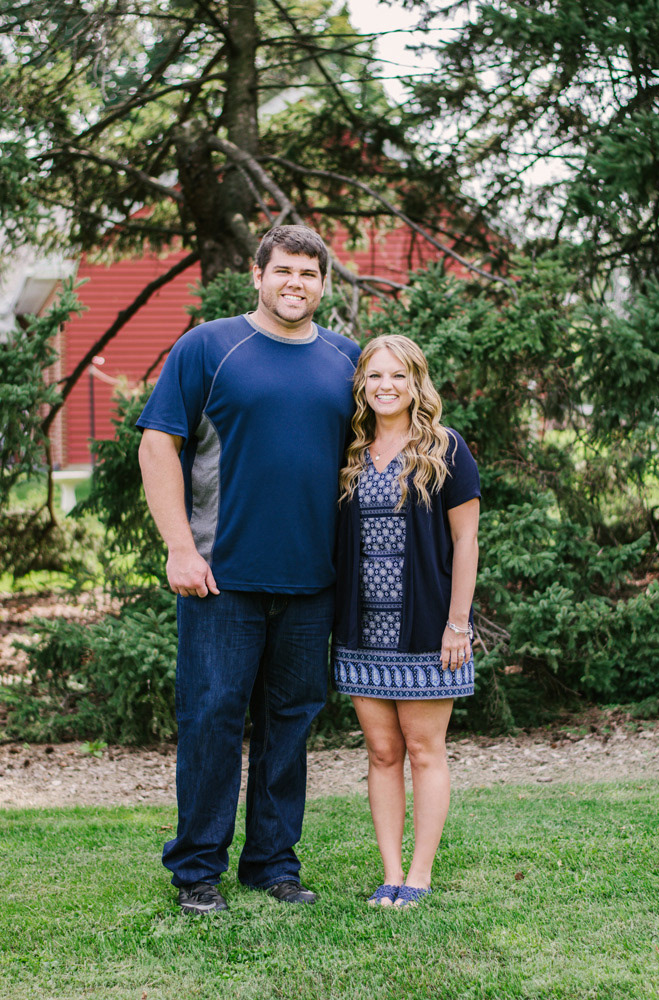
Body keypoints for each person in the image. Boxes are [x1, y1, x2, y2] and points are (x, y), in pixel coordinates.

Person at [137, 225, 360, 914]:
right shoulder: (209, 345)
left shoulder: (345, 358)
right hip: (219, 576)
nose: (296, 283)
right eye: (283, 270)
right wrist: (179, 545)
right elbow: (157, 445)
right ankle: (196, 871)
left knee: (290, 724)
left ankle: (272, 863)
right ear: (257, 275)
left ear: (323, 284)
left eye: (309, 273)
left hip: (312, 580)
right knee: (210, 719)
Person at [332, 334, 480, 908]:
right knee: (382, 753)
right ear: (362, 386)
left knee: (424, 751)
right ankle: (390, 873)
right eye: (374, 376)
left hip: (426, 626)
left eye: (397, 375)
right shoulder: (350, 450)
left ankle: (418, 877)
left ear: (417, 382)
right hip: (363, 629)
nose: (385, 386)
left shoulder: (445, 448)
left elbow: (466, 540)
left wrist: (457, 624)